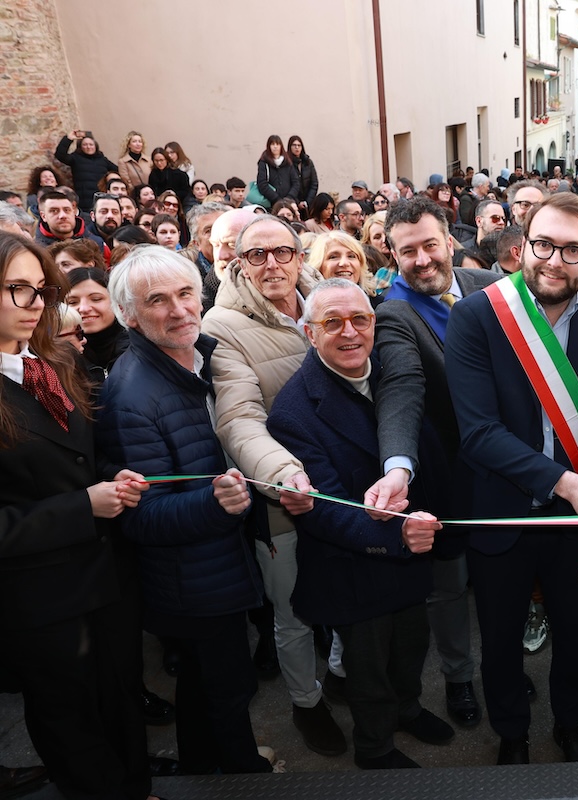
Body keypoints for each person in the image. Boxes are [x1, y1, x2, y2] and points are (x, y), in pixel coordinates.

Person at [444, 192, 578, 765]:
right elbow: (479, 433)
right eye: (543, 244)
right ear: (522, 245)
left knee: (575, 633)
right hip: (503, 509)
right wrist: (569, 484)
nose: (553, 260)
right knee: (501, 638)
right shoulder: (476, 316)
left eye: (572, 250)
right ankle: (511, 732)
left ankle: (569, 723)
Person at [95, 246, 273, 776]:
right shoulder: (133, 397)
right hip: (191, 578)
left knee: (203, 684)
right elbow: (140, 517)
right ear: (128, 314)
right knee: (227, 687)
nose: (178, 310)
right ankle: (244, 777)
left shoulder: (195, 358)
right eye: (157, 301)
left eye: (186, 293)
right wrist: (216, 505)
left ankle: (202, 772)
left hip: (213, 563)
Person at [268, 278, 450, 770]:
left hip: (408, 553)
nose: (350, 333)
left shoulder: (394, 371)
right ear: (309, 333)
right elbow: (325, 509)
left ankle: (407, 709)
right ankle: (375, 748)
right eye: (332, 323)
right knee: (368, 669)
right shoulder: (292, 411)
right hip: (355, 564)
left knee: (412, 646)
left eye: (360, 319)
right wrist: (400, 534)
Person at [0, 232, 153, 799]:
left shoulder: (53, 362)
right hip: (38, 593)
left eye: (40, 289)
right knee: (70, 717)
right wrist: (81, 506)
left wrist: (112, 479)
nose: (35, 303)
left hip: (104, 572)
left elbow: (81, 454)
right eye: (16, 288)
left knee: (120, 695)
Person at [200, 215, 347, 758]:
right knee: (293, 611)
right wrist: (284, 476)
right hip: (282, 496)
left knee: (348, 587)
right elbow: (237, 419)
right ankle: (306, 703)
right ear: (237, 263)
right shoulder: (221, 326)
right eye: (256, 256)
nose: (272, 265)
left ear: (298, 255)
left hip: (343, 484)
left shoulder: (325, 300)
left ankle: (338, 675)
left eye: (282, 252)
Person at [365, 197, 500, 729]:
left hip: (504, 474)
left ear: (450, 241)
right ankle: (459, 676)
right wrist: (397, 466)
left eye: (428, 245)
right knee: (447, 589)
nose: (421, 260)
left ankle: (501, 670)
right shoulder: (393, 312)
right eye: (406, 252)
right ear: (390, 255)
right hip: (442, 477)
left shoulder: (491, 285)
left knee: (497, 581)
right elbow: (401, 385)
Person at [66, 266, 128, 376]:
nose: (84, 308)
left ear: (116, 301)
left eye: (96, 299)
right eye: (73, 302)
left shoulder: (141, 350)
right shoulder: (55, 357)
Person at [55, 131, 118, 212]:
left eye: (91, 144)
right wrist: (68, 139)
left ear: (95, 146)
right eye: (85, 145)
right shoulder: (76, 158)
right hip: (84, 201)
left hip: (102, 198)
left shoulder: (102, 160)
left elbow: (118, 170)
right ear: (80, 147)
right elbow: (60, 155)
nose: (88, 147)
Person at [307, 230, 374, 298]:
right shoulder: (305, 306)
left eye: (351, 256)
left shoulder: (378, 305)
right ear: (318, 266)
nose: (344, 263)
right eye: (333, 257)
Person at [256, 135, 297, 207]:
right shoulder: (264, 162)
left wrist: (289, 197)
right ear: (269, 146)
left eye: (277, 144)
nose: (275, 147)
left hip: (288, 201)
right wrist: (276, 199)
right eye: (272, 144)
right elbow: (262, 184)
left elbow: (296, 182)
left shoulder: (287, 162)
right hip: (271, 202)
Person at [287, 136, 319, 212]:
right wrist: (297, 202)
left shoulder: (308, 162)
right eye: (294, 145)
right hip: (292, 204)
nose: (297, 148)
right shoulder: (287, 163)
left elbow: (314, 183)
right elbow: (287, 186)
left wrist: (307, 202)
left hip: (308, 204)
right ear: (290, 147)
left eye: (299, 145)